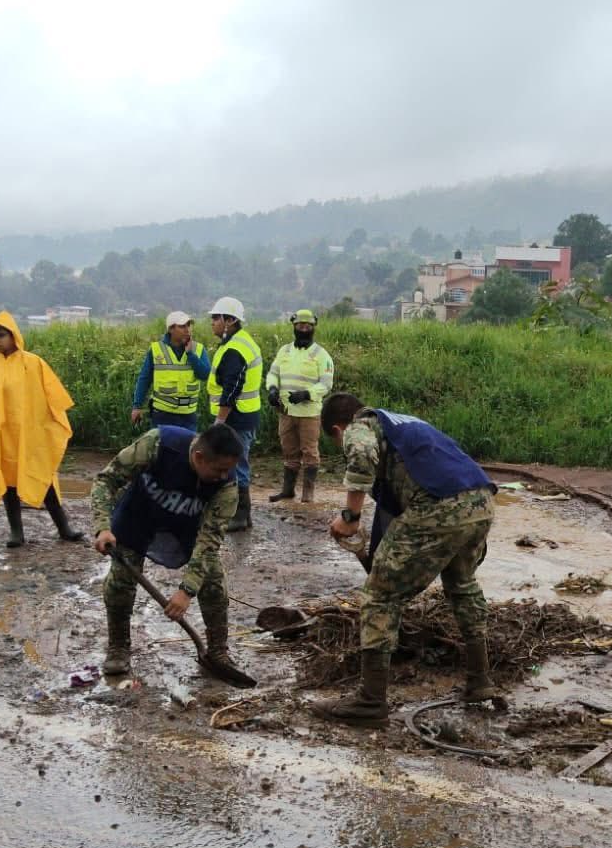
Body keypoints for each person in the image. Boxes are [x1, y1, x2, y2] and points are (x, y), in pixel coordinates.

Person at [313, 392, 497, 725]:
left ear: (338, 430)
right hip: (480, 500)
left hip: (439, 505)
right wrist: (378, 559)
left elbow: (361, 454)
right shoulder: (401, 425)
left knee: (379, 597)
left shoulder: (360, 425)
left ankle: (370, 702)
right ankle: (480, 680)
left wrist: (350, 516)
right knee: (462, 585)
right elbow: (392, 526)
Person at [89, 423, 250, 681]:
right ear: (199, 457)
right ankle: (118, 647)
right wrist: (102, 527)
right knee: (119, 583)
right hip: (138, 517)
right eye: (219, 469)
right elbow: (106, 480)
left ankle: (218, 650)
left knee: (214, 583)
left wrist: (187, 590)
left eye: (228, 470)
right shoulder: (157, 444)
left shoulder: (227, 485)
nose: (224, 476)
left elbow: (209, 542)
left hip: (187, 527)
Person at [0, 311, 84, 548]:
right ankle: (17, 533)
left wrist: (51, 426)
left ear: (13, 335)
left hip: (29, 437)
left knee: (42, 478)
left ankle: (65, 528)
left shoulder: (33, 363)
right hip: (1, 439)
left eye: (1, 335)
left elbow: (54, 400)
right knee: (8, 485)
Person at [264, 309, 335, 504]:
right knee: (289, 451)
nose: (303, 329)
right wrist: (271, 389)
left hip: (309, 413)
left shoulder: (321, 355)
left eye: (307, 326)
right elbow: (273, 373)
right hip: (286, 412)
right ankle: (288, 491)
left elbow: (326, 384)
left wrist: (307, 394)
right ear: (294, 326)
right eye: (300, 325)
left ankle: (308, 494)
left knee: (309, 452)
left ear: (313, 327)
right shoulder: (284, 351)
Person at [207, 297, 264, 531]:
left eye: (215, 318)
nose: (212, 323)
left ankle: (240, 516)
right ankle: (241, 514)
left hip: (236, 417)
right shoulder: (236, 342)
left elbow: (232, 387)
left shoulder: (235, 349)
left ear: (229, 320)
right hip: (242, 415)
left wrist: (220, 420)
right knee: (234, 463)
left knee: (236, 464)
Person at [130, 311, 211, 430]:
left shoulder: (198, 349)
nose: (187, 329)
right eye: (182, 326)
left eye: (189, 325)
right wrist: (137, 406)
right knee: (163, 448)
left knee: (186, 449)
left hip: (188, 416)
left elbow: (205, 375)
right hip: (162, 415)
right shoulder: (156, 349)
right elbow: (145, 379)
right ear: (171, 329)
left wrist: (190, 354)